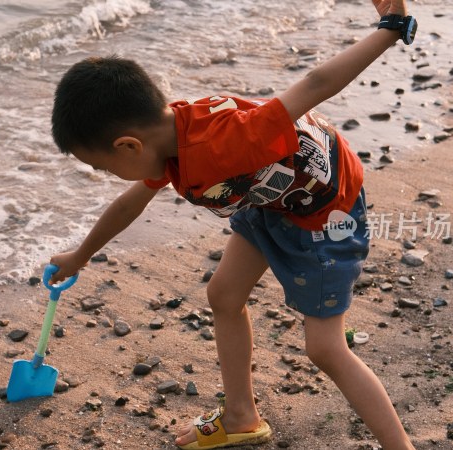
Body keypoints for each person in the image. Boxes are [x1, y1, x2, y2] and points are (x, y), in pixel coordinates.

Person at [48, 0, 417, 448]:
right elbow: (130, 204)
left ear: (127, 146)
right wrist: (80, 255)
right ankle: (242, 416)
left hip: (325, 213)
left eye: (103, 168)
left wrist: (391, 28)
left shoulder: (229, 139)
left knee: (324, 349)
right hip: (270, 199)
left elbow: (318, 83)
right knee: (224, 294)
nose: (110, 176)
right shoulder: (168, 141)